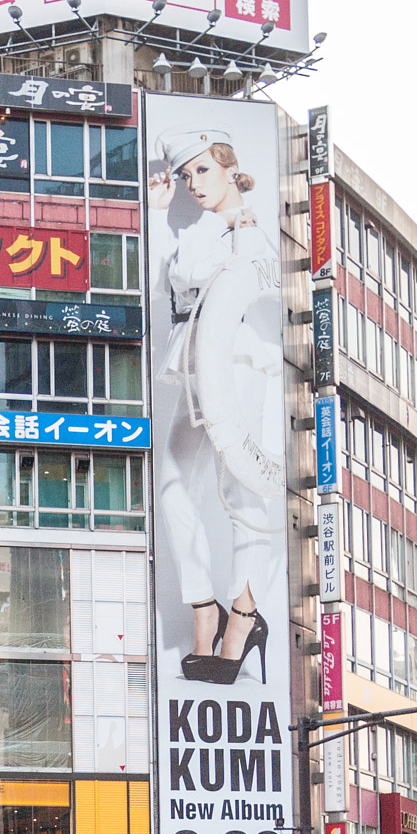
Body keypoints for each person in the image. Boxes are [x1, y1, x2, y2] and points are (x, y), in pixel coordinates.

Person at [149, 122, 284, 688]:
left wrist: (229, 234)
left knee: (241, 492)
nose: (193, 183)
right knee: (173, 485)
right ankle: (204, 606)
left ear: (230, 166)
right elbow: (174, 280)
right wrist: (163, 216)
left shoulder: (258, 231)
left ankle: (245, 617)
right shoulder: (208, 227)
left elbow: (242, 278)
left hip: (243, 363)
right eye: (186, 176)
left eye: (202, 169)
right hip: (197, 366)